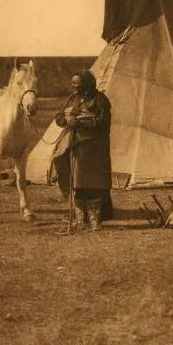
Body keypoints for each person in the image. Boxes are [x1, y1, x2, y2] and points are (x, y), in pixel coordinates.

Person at [52, 69, 113, 230]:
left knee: (94, 184)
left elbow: (103, 122)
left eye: (77, 84)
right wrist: (65, 120)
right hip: (76, 147)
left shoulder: (100, 100)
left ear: (86, 84)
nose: (73, 86)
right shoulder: (73, 99)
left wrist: (79, 122)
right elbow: (58, 116)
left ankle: (95, 221)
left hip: (94, 149)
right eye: (72, 83)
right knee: (78, 183)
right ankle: (81, 220)